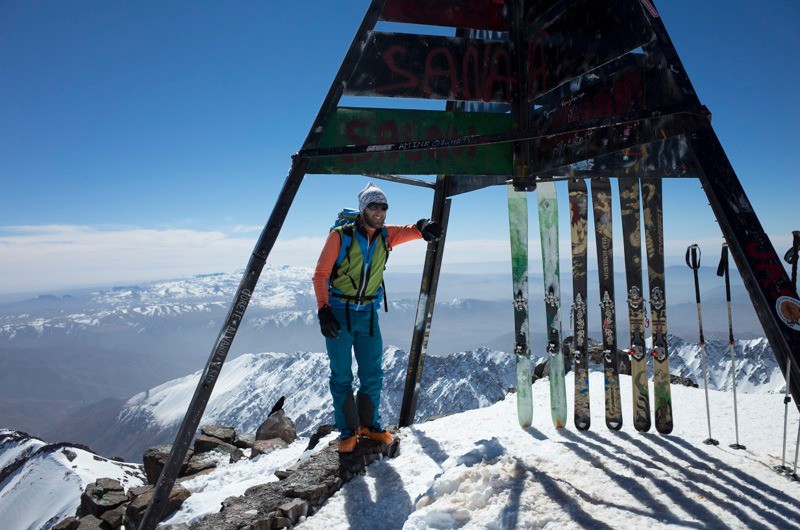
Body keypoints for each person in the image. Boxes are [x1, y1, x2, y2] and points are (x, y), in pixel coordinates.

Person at [312, 182, 442, 453]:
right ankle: (348, 430)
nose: (380, 211)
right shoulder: (340, 236)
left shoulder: (385, 235)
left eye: (383, 206)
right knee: (341, 375)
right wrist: (324, 311)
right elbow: (321, 274)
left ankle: (369, 425)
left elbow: (411, 231)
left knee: (373, 373)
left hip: (369, 314)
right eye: (374, 206)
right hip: (339, 312)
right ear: (363, 209)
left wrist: (423, 226)